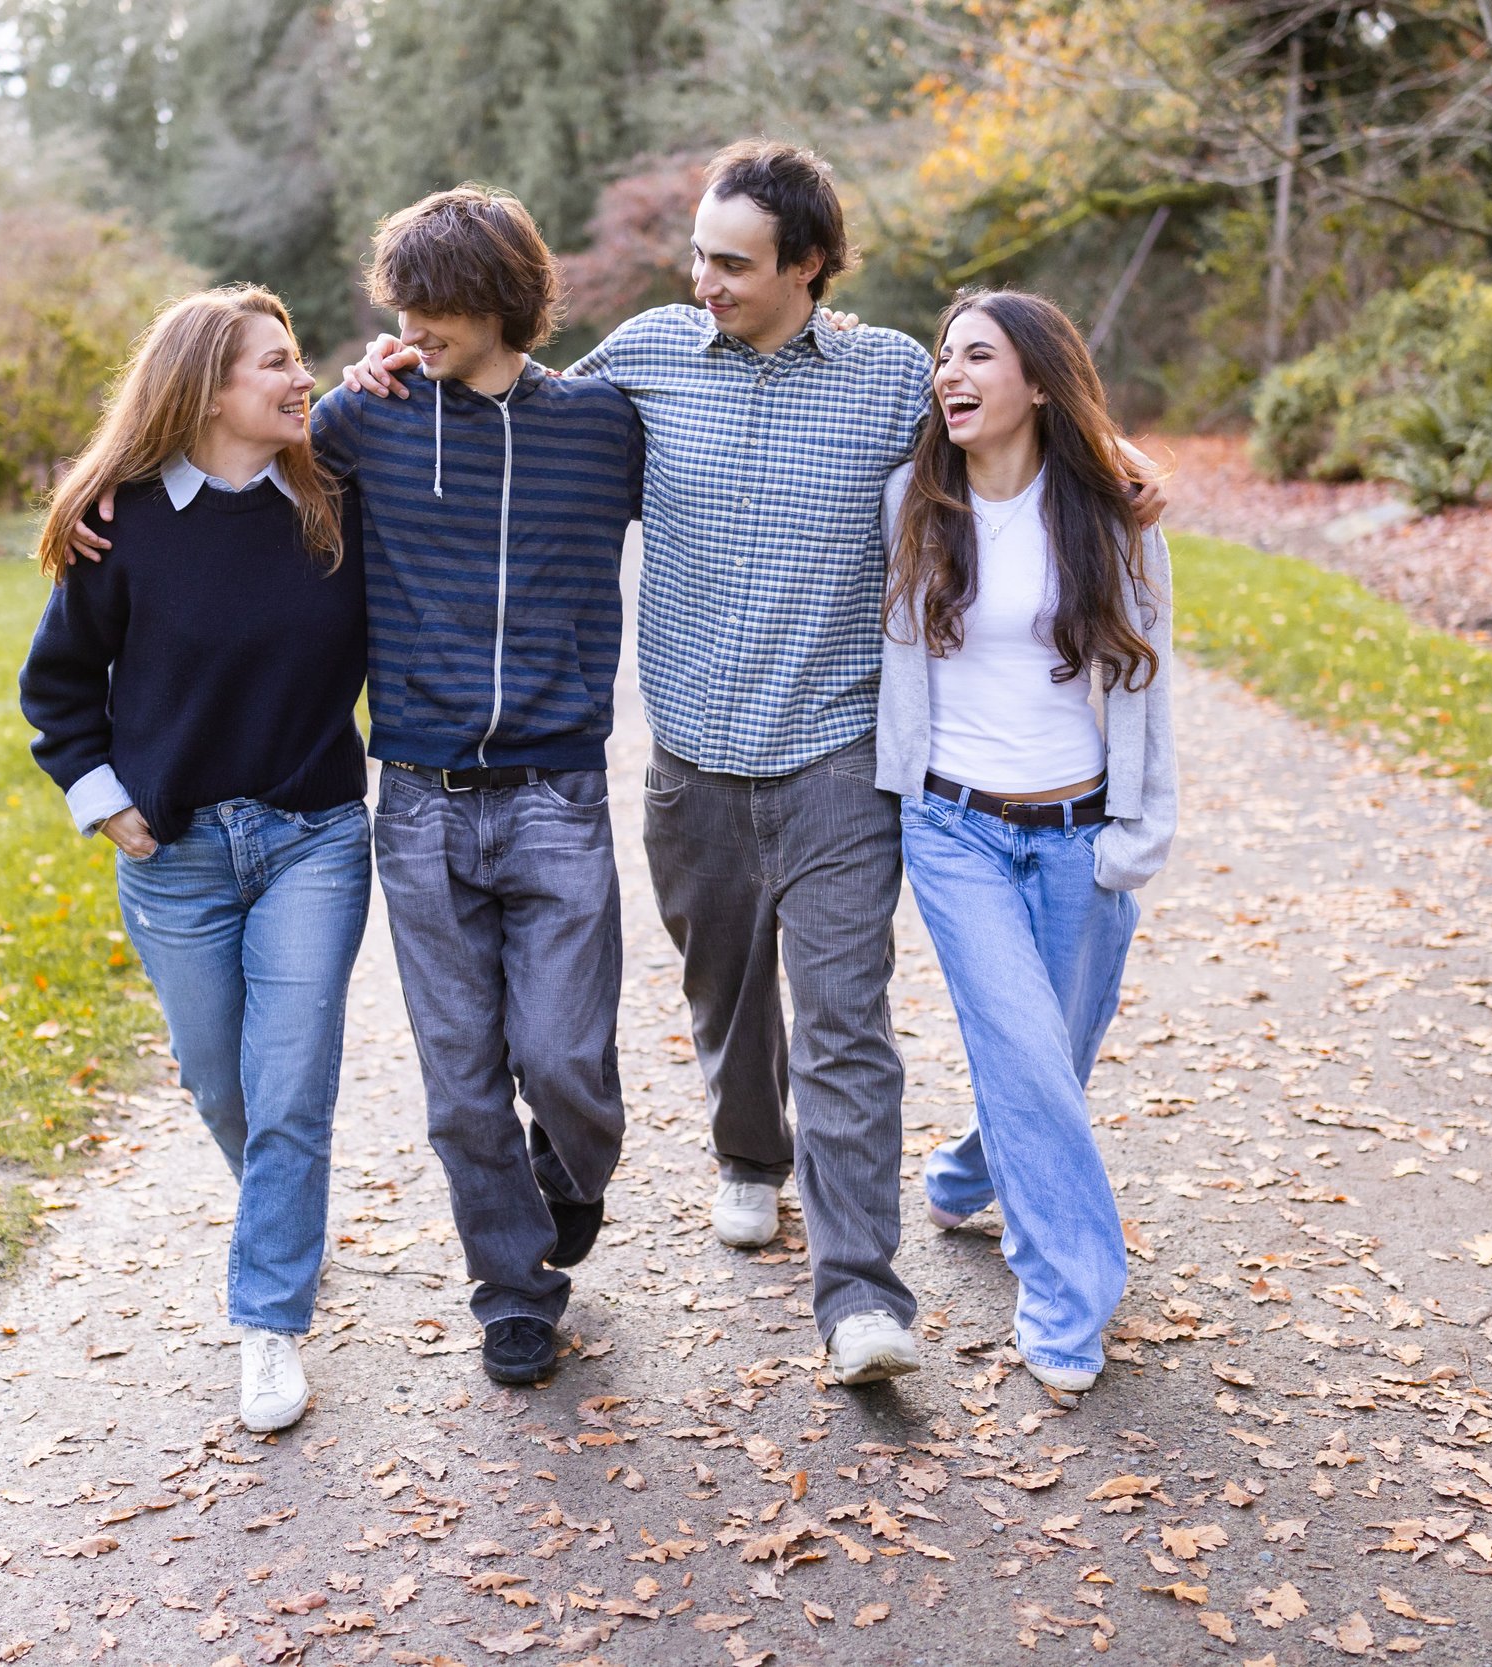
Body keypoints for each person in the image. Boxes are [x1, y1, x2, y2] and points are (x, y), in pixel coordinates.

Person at [349, 140, 1166, 1385]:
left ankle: (858, 1296)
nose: (704, 280)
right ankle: (747, 1155)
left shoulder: (896, 375)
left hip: (838, 758)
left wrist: (1114, 469)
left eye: (732, 262)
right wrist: (407, 352)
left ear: (810, 266)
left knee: (844, 1027)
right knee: (726, 997)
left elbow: (1004, 452)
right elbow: (527, 408)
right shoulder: (646, 363)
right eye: (696, 255)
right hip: (691, 764)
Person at [68, 190, 644, 1389]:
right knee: (461, 1080)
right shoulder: (364, 422)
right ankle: (512, 1294)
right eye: (398, 304)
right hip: (421, 797)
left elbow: (725, 492)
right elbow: (216, 458)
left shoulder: (600, 425)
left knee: (566, 1061)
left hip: (557, 792)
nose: (404, 322)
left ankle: (574, 1170)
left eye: (428, 304)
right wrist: (96, 499)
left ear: (498, 299)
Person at [19, 284, 369, 1435]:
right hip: (174, 855)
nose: (297, 376)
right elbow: (56, 691)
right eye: (273, 362)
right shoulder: (120, 523)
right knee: (222, 1084)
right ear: (206, 388)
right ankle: (284, 1213)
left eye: (297, 353)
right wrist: (102, 800)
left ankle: (267, 1322)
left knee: (290, 1084)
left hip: (314, 836)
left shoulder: (334, 502)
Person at [877, 288, 1177, 1395]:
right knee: (1021, 1049)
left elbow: (1147, 688)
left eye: (978, 357)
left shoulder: (1110, 515)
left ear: (1038, 380)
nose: (949, 374)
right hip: (952, 827)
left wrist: (1134, 839)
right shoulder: (910, 497)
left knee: (1051, 1060)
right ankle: (1066, 1293)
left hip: (1076, 836)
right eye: (942, 358)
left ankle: (964, 1173)